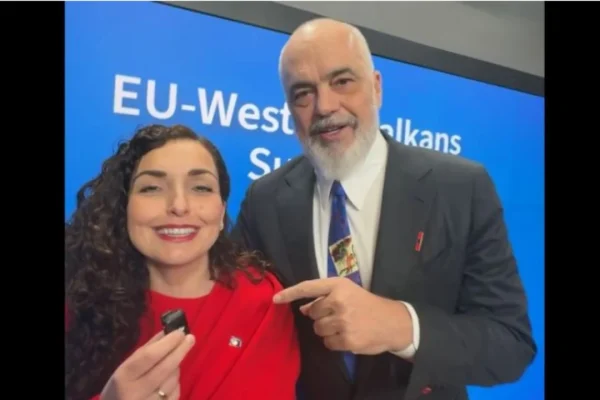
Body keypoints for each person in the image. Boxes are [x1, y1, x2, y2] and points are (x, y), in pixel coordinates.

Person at [231, 18, 537, 400]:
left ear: (376, 87)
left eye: (342, 81)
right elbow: (230, 313)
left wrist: (399, 325)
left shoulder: (461, 188)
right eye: (303, 93)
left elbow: (510, 344)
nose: (325, 106)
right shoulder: (264, 199)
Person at [65, 124, 300, 400]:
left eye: (200, 188)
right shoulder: (78, 295)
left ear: (221, 211)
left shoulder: (264, 300)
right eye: (152, 188)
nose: (178, 205)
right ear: (124, 207)